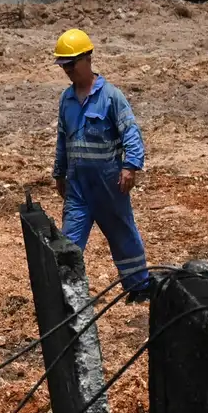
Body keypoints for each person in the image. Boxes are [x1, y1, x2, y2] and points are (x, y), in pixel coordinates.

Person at [51, 28, 152, 300]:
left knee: (123, 234)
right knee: (69, 242)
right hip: (78, 188)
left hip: (109, 185)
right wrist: (59, 172)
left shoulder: (110, 96)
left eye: (71, 64)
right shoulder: (67, 100)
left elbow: (130, 132)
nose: (67, 70)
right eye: (63, 65)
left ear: (87, 59)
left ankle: (139, 287)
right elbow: (63, 138)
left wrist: (130, 166)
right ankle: (66, 295)